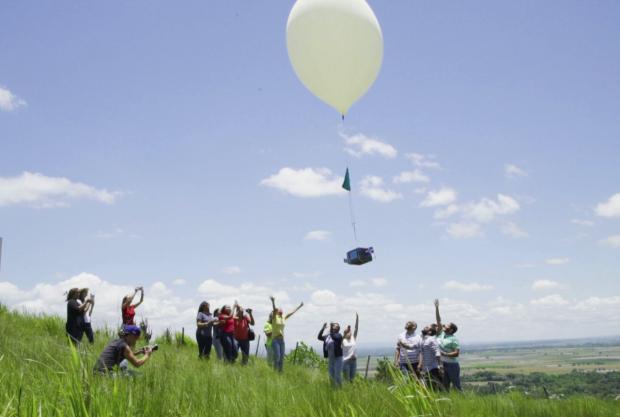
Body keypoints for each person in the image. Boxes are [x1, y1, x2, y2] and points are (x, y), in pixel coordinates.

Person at [269, 295, 303, 372]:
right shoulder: (275, 318)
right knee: (277, 356)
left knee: (281, 357)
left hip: (282, 340)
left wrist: (299, 306)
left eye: (281, 309)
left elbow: (292, 312)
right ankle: (275, 370)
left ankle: (280, 372)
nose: (281, 310)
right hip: (275, 340)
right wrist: (273, 302)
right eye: (279, 309)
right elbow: (274, 310)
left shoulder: (283, 317)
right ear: (277, 312)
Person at [435, 299, 462, 391]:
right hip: (443, 364)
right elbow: (439, 321)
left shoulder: (454, 339)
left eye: (446, 326)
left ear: (451, 330)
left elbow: (456, 353)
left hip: (452, 365)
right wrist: (437, 308)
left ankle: (462, 400)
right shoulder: (441, 334)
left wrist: (444, 354)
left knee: (456, 386)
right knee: (445, 386)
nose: (444, 326)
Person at [318, 322, 344, 387]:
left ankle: (340, 389)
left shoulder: (339, 335)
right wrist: (323, 328)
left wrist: (330, 330)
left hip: (338, 358)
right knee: (331, 375)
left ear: (338, 328)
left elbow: (334, 336)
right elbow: (319, 337)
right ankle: (333, 389)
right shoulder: (327, 336)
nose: (333, 326)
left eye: (335, 326)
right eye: (333, 326)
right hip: (331, 359)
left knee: (337, 375)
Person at [420, 325, 442, 390]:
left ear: (430, 332)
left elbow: (437, 353)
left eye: (426, 327)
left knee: (435, 388)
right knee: (429, 388)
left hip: (432, 368)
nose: (424, 327)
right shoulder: (423, 339)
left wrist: (440, 366)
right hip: (425, 369)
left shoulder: (432, 339)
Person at [342, 313, 359, 382]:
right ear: (345, 333)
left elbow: (356, 329)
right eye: (348, 331)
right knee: (347, 380)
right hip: (346, 361)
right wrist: (346, 332)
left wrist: (357, 319)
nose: (350, 332)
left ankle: (350, 391)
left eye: (350, 331)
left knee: (352, 380)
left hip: (353, 361)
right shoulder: (343, 340)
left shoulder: (353, 338)